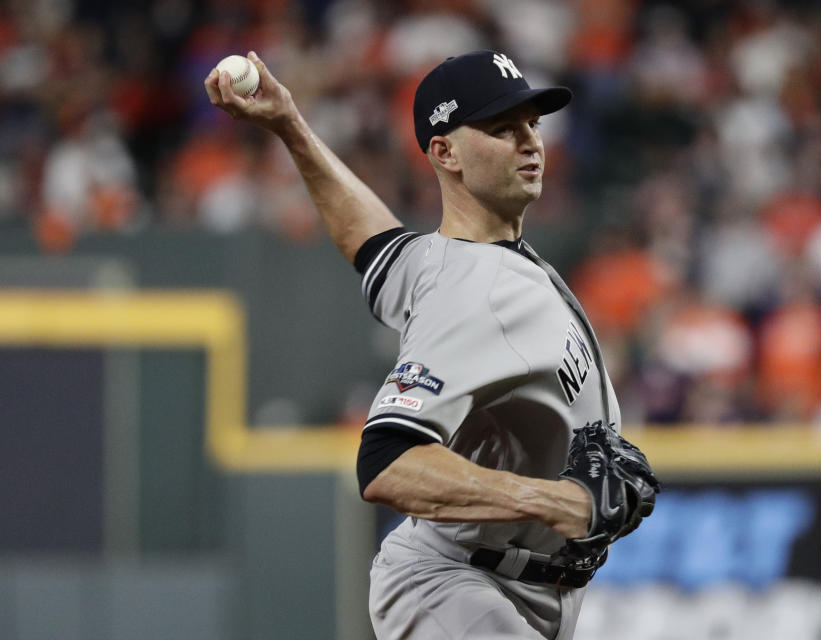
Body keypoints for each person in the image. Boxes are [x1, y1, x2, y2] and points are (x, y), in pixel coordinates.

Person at [205, 49, 652, 640]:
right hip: (457, 584)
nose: (529, 143)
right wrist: (554, 501)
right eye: (501, 128)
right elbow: (388, 461)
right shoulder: (477, 290)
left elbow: (369, 241)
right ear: (445, 152)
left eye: (531, 125)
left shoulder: (441, 260)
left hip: (514, 585)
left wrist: (290, 124)